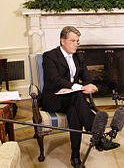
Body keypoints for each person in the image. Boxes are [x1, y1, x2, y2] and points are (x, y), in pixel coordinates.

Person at [41, 26, 99, 168]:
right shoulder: (49, 56)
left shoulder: (79, 57)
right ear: (63, 41)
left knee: (75, 110)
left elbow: (86, 79)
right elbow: (55, 80)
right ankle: (95, 130)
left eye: (77, 41)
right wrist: (79, 87)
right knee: (77, 95)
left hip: (71, 98)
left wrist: (90, 86)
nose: (76, 44)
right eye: (72, 41)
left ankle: (75, 156)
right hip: (53, 98)